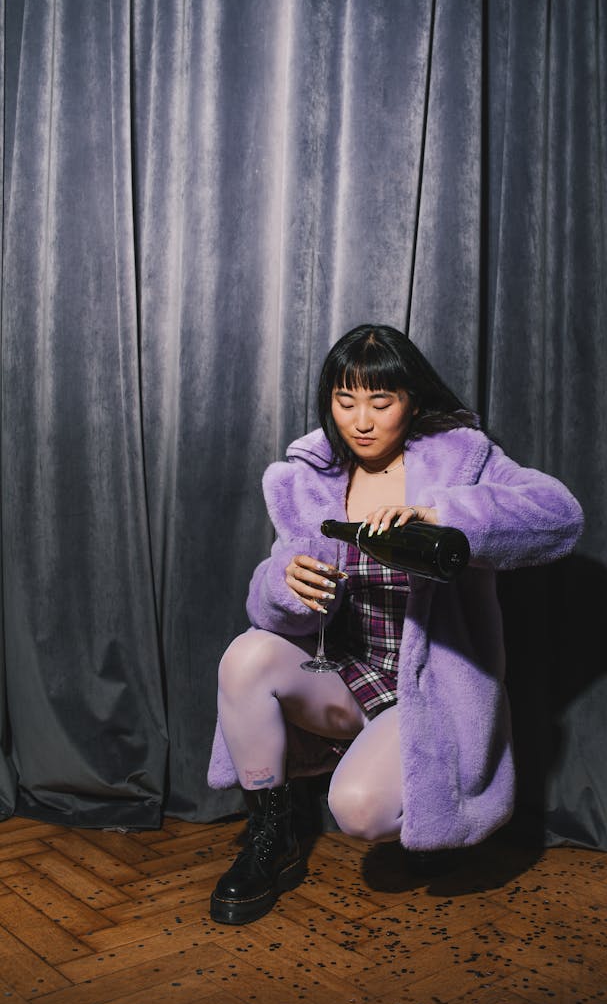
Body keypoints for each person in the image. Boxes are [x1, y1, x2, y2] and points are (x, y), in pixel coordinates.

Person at [207, 324, 584, 925]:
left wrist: (444, 515)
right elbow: (268, 606)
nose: (361, 420)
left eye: (381, 403)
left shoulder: (459, 459)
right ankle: (270, 838)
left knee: (359, 810)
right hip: (344, 675)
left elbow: (560, 517)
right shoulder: (309, 476)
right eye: (345, 400)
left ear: (411, 402)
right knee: (246, 655)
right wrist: (284, 581)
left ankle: (428, 810)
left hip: (429, 687)